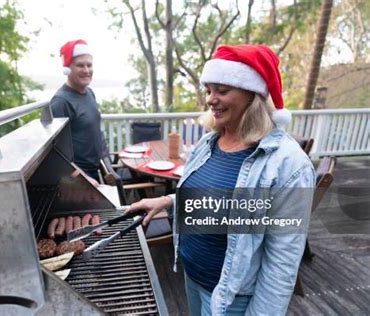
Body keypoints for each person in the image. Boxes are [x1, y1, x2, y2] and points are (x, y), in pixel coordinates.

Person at [127, 45, 315, 315]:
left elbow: (282, 263)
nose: (211, 100)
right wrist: (168, 200)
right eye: (208, 91)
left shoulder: (289, 164)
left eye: (222, 91)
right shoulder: (209, 142)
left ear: (253, 94)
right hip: (193, 277)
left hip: (231, 298)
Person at [50, 39, 104, 184]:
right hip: (76, 178)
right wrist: (82, 178)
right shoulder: (60, 102)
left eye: (89, 65)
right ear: (68, 68)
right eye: (80, 65)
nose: (86, 70)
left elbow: (96, 130)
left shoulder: (90, 93)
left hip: (94, 171)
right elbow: (56, 152)